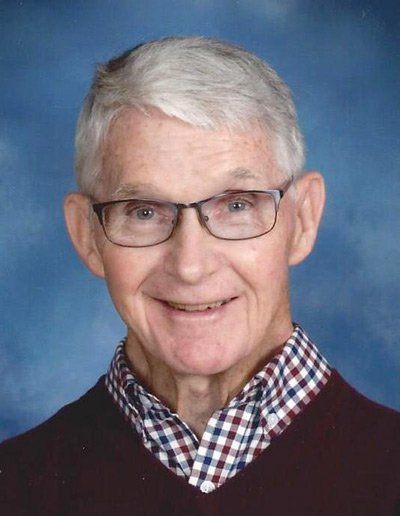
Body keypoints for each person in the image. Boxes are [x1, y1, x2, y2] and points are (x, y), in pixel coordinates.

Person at [0, 36, 399, 516]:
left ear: (303, 220)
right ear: (88, 235)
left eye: (237, 205)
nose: (190, 267)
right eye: (144, 211)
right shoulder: (14, 486)